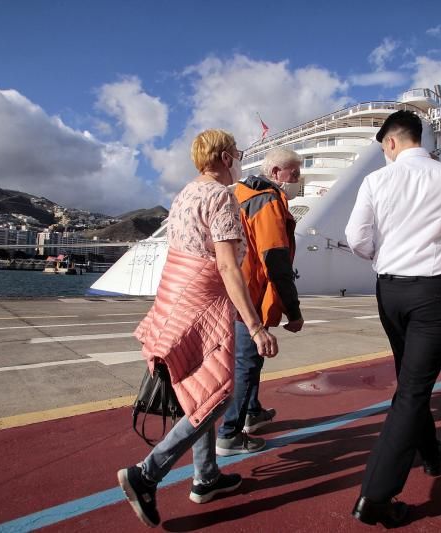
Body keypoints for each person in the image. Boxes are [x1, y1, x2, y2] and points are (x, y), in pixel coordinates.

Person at [117, 129, 279, 528]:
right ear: (224, 157)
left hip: (175, 297)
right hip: (203, 302)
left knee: (199, 390)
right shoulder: (221, 196)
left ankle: (206, 477)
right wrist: (256, 327)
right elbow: (226, 266)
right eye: (237, 153)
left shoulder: (184, 194)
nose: (240, 159)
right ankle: (147, 474)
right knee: (220, 394)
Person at [345, 110, 441, 527]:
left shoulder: (376, 180)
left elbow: (356, 238)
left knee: (410, 379)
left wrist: (381, 257)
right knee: (413, 390)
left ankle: (432, 452)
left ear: (390, 143)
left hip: (391, 291)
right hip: (433, 293)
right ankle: (376, 497)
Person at [215, 147, 305, 456]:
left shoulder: (241, 194)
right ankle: (229, 433)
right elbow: (275, 259)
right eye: (294, 173)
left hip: (238, 291)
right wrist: (293, 311)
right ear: (277, 172)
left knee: (252, 359)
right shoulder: (266, 201)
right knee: (246, 363)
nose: (298, 179)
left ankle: (251, 412)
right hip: (251, 296)